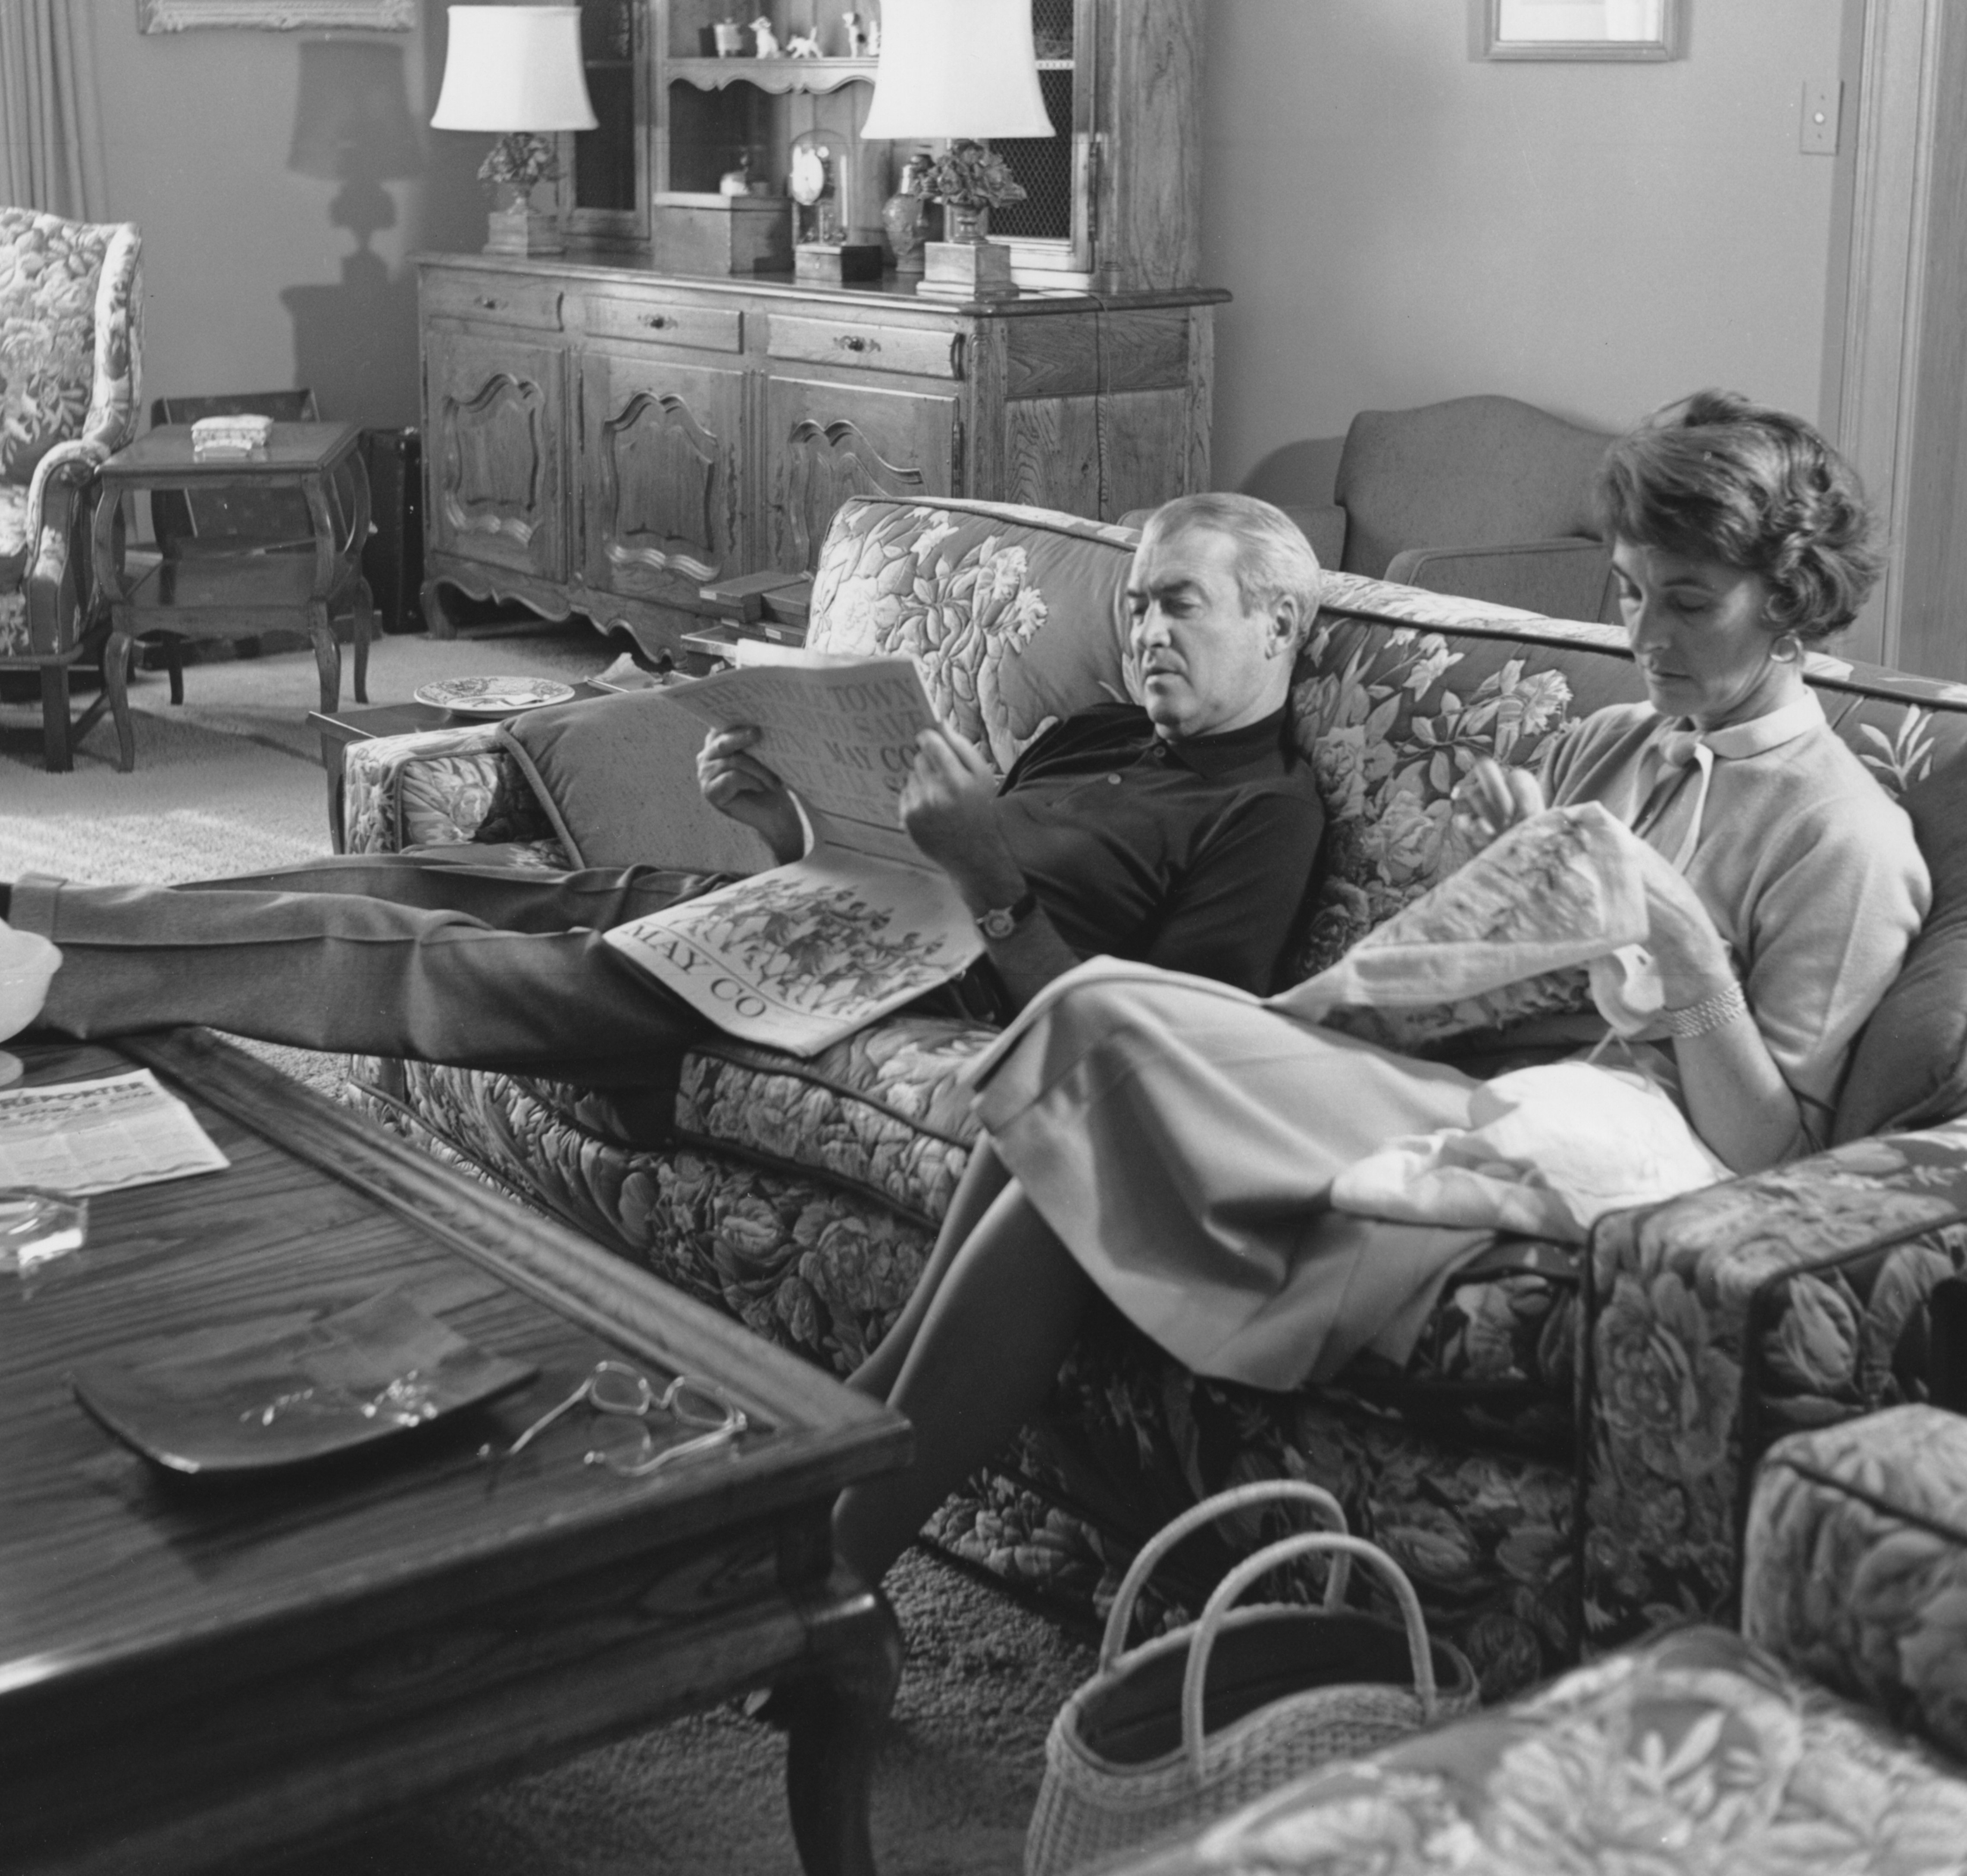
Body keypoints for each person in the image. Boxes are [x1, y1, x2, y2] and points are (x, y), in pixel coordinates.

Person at [826, 390, 1930, 1588]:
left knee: (1097, 1026)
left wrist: (1681, 942)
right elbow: (1478, 978)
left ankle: (828, 1541)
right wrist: (1495, 894)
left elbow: (1780, 1156)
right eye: (1627, 590)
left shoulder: (1846, 835)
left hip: (1618, 1150)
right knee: (1083, 1047)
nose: (1646, 637)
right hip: (1467, 1082)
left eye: (1688, 601)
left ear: (1791, 596)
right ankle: (829, 1500)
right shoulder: (1605, 743)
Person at [0, 495, 1328, 1136]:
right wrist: (788, 809)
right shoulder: (1095, 730)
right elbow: (886, 865)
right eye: (1135, 608)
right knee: (410, 868)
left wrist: (991, 883)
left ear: (1279, 624)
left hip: (862, 996)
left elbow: (1180, 1043)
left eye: (1181, 611)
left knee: (391, 951)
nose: (1145, 638)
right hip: (787, 914)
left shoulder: (1265, 813)